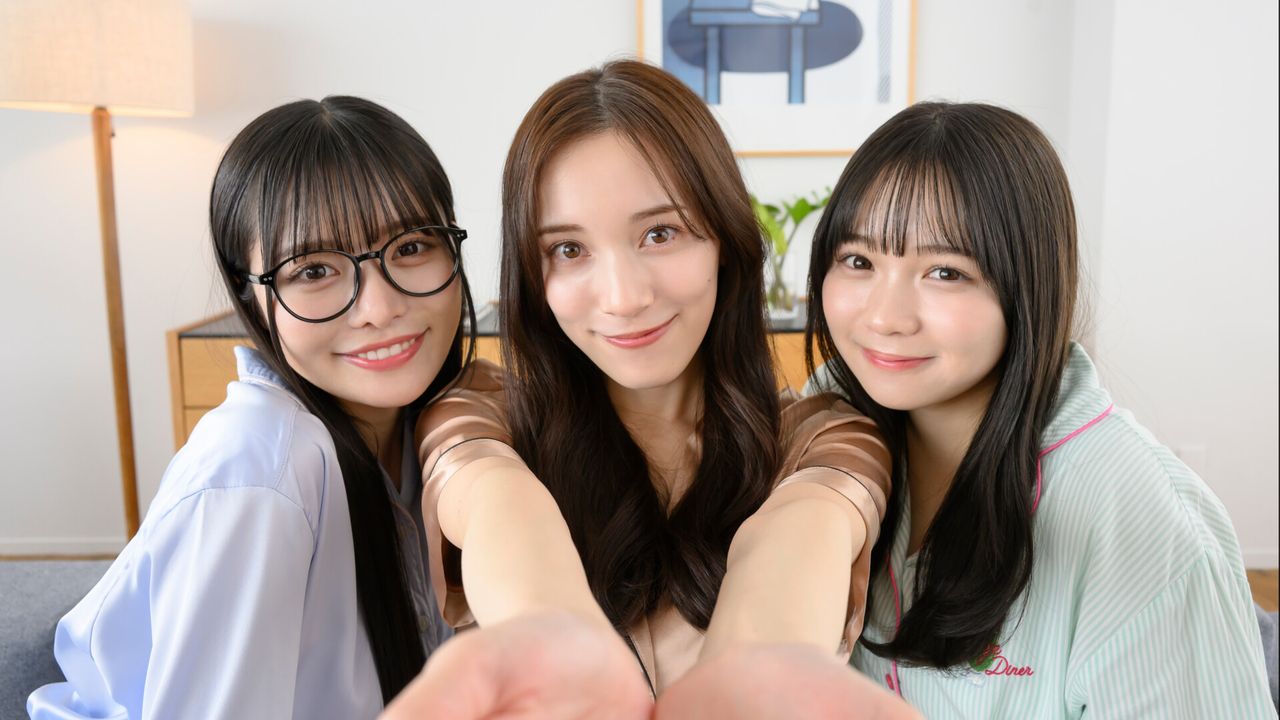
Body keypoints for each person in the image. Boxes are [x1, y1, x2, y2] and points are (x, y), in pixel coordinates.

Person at [411, 58, 891, 705]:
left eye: (660, 233)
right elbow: (496, 500)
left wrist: (742, 684)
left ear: (724, 238)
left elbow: (804, 533)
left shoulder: (823, 437)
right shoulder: (483, 412)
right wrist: (564, 659)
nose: (623, 297)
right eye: (569, 250)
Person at [804, 100, 1275, 717]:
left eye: (945, 272)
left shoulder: (1142, 521)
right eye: (859, 261)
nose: (884, 317)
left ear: (1027, 283)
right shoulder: (829, 416)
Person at [28, 96, 472, 719]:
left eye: (411, 247)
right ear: (250, 296)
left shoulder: (425, 428)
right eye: (313, 270)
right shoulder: (258, 476)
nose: (378, 308)